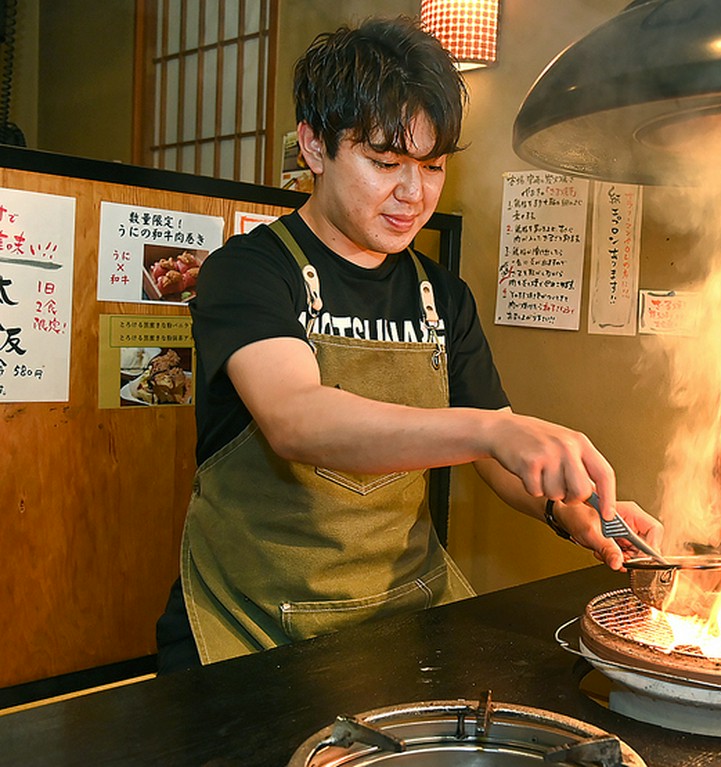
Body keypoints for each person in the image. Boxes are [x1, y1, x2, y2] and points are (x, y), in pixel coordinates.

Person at [156, 16, 662, 672]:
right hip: (253, 628)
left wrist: (572, 508)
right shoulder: (249, 270)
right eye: (385, 162)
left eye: (432, 166)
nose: (413, 193)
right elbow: (294, 418)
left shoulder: (441, 296)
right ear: (313, 147)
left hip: (406, 617)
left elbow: (501, 457)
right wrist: (488, 431)